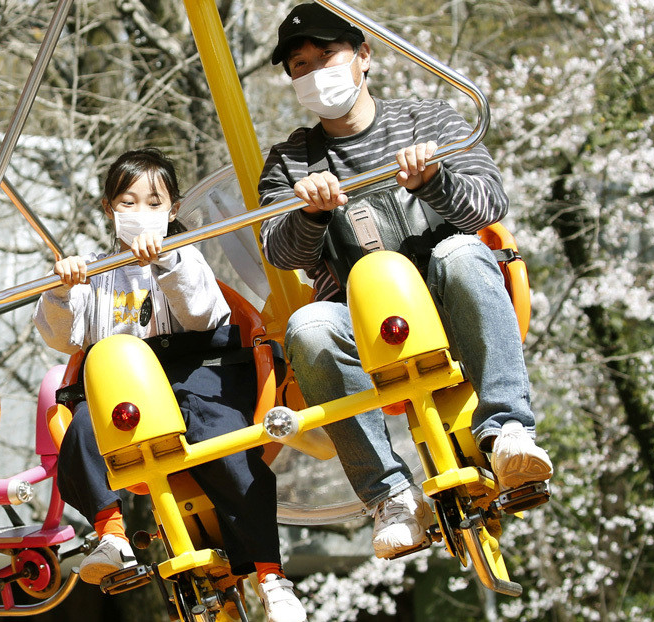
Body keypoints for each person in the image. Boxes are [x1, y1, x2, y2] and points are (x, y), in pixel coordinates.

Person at [258, 3, 554, 560]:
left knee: (465, 250)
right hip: (364, 323)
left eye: (327, 56)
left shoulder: (428, 120)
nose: (315, 72)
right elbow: (279, 248)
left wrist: (435, 179)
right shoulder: (290, 161)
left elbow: (490, 201)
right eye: (300, 65)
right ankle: (390, 495)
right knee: (308, 325)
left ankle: (507, 430)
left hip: (446, 299)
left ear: (364, 56)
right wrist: (312, 215)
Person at [35, 149, 307, 621]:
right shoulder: (94, 274)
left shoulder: (188, 257)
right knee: (82, 427)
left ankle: (269, 574)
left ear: (173, 210)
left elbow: (201, 311)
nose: (141, 215)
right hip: (120, 388)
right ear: (109, 209)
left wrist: (167, 260)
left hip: (193, 371)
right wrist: (61, 289)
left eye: (153, 204)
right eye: (128, 203)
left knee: (221, 437)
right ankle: (111, 532)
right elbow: (62, 336)